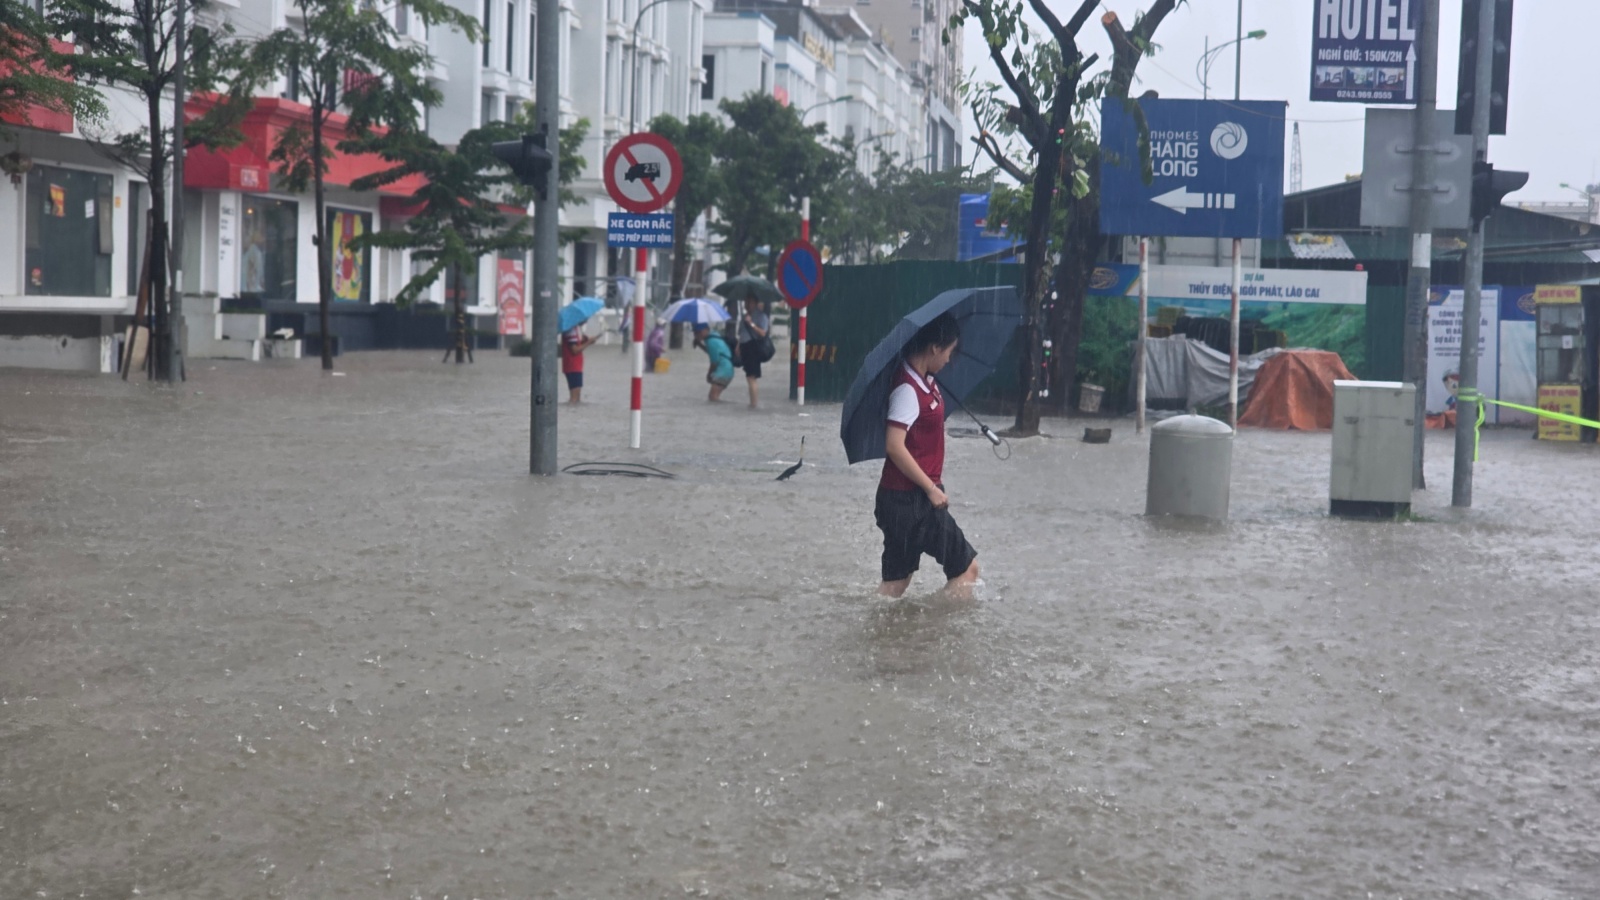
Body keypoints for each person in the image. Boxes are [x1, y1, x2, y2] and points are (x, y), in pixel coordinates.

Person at [874, 312, 979, 599]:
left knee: (896, 583)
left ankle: (882, 625)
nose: (949, 359)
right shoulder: (907, 390)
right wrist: (931, 489)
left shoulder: (924, 381)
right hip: (914, 500)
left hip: (899, 500)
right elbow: (894, 445)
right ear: (934, 348)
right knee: (967, 571)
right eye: (948, 351)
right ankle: (930, 624)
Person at [737, 298, 770, 409]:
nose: (747, 304)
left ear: (755, 303)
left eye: (749, 302)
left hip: (753, 347)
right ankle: (752, 403)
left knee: (752, 377)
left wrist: (751, 323)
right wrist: (738, 346)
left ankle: (754, 404)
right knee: (748, 377)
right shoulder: (744, 316)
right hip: (744, 347)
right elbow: (741, 333)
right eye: (746, 302)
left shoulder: (761, 316)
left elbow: (763, 333)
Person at [694, 324, 734, 402]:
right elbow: (712, 351)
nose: (697, 335)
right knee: (714, 398)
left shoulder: (711, 341)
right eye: (695, 333)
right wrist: (699, 344)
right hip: (728, 369)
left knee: (712, 398)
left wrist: (709, 374)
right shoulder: (714, 335)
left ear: (706, 330)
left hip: (723, 371)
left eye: (699, 332)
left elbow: (714, 362)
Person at [560, 325, 598, 404]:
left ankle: (572, 411)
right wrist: (588, 342)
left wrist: (583, 341)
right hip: (572, 366)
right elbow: (575, 350)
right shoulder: (571, 330)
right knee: (574, 398)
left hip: (575, 366)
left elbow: (574, 346)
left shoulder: (573, 329)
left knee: (577, 397)